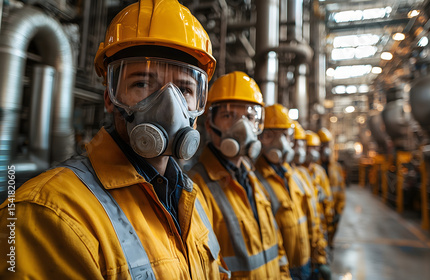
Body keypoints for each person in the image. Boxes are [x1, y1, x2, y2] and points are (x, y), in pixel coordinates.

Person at [0, 0, 229, 278]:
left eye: (185, 89)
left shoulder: (191, 198)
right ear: (110, 97)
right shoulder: (48, 215)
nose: (170, 106)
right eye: (142, 83)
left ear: (198, 104)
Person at [189, 71, 291, 279]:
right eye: (228, 116)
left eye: (250, 117)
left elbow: (276, 245)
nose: (242, 127)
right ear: (209, 124)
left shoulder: (254, 179)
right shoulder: (194, 187)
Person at [254, 104, 315, 280]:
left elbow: (309, 215)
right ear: (260, 137)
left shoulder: (294, 176)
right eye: (269, 135)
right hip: (283, 268)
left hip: (305, 260)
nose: (281, 143)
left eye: (287, 136)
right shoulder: (255, 179)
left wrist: (317, 257)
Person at [289, 121, 331, 280]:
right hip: (295, 263)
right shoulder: (274, 179)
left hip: (309, 254)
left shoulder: (303, 175)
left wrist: (320, 255)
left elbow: (315, 217)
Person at [304, 131, 335, 248]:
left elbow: (327, 197)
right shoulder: (297, 174)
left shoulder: (319, 172)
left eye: (316, 148)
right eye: (310, 148)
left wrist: (329, 218)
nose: (313, 151)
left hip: (321, 224)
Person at [317, 128, 345, 239]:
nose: (325, 148)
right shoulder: (313, 168)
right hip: (319, 215)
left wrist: (339, 211)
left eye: (327, 144)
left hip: (333, 213)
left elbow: (341, 191)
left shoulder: (336, 168)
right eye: (322, 145)